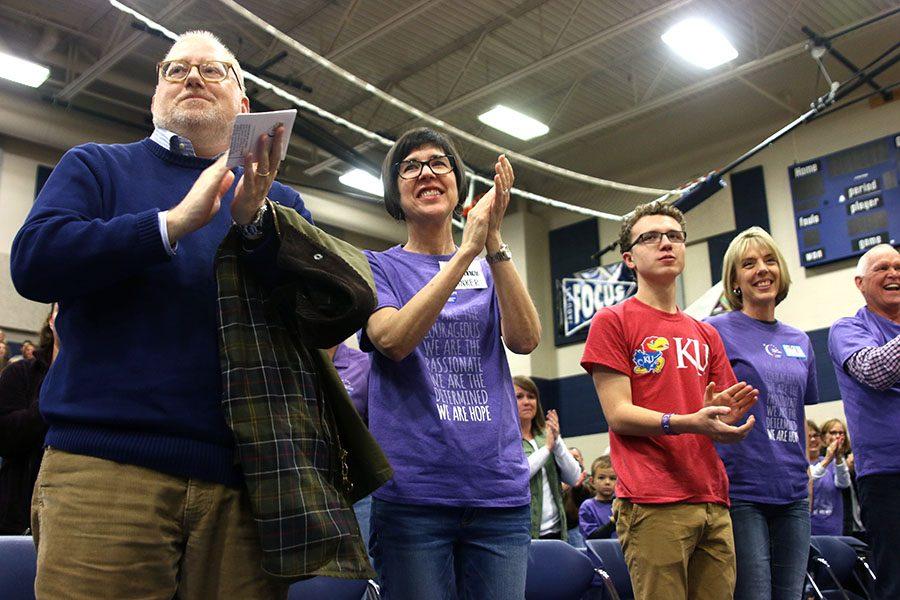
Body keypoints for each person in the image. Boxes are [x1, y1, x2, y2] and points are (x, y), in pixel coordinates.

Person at [11, 30, 384, 599]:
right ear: (155, 97)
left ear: (244, 107)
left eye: (213, 71)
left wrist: (258, 230)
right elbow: (34, 263)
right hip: (105, 470)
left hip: (248, 482)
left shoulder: (280, 202)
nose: (191, 77)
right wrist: (171, 224)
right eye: (174, 69)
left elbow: (334, 313)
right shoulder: (96, 167)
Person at [361, 127, 541, 598]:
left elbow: (525, 340)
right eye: (411, 166)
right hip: (414, 495)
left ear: (458, 184)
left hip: (497, 493)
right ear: (396, 192)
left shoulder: (489, 267)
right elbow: (392, 340)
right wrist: (466, 251)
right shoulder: (377, 267)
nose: (427, 172)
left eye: (439, 163)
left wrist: (494, 240)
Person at [580, 200, 758, 600]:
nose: (666, 244)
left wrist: (729, 422)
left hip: (712, 497)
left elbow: (720, 412)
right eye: (651, 237)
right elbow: (618, 413)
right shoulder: (613, 320)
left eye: (674, 237)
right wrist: (686, 421)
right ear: (629, 257)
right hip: (652, 498)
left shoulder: (706, 333)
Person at [705, 227, 817, 600]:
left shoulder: (800, 340)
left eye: (770, 260)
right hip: (743, 490)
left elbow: (797, 414)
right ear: (734, 280)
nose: (762, 270)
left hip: (794, 493)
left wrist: (806, 476)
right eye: (748, 264)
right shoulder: (714, 331)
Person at [828, 243, 900, 599]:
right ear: (860, 282)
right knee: (896, 580)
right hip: (888, 475)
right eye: (883, 268)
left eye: (899, 267)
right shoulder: (848, 329)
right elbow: (875, 370)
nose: (894, 274)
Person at [0, 305, 56, 535]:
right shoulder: (20, 373)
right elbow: (4, 438)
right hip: (17, 513)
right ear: (51, 320)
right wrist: (54, 395)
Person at [515, 375, 582, 541]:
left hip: (557, 532)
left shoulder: (547, 436)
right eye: (519, 396)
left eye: (531, 397)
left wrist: (557, 442)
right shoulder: (505, 439)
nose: (527, 402)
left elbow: (574, 477)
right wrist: (547, 449)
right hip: (524, 534)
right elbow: (517, 476)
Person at [328, 341, 373, 550]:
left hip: (355, 491)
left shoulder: (363, 366)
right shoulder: (292, 362)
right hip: (306, 484)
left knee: (367, 566)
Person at [819, 417, 865, 538]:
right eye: (833, 432)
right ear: (823, 437)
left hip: (860, 520)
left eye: (841, 432)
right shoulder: (820, 461)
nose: (838, 436)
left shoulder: (852, 457)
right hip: (836, 522)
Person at [809, 421, 851, 535]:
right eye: (809, 436)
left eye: (815, 436)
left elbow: (844, 483)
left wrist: (838, 457)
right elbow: (809, 478)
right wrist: (827, 459)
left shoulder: (834, 463)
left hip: (833, 530)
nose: (813, 440)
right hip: (809, 530)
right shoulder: (800, 462)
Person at [578, 455, 617, 540]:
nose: (607, 482)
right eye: (601, 478)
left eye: (612, 478)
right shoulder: (588, 506)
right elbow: (592, 536)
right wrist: (613, 522)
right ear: (592, 481)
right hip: (597, 552)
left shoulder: (621, 504)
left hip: (620, 552)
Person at [562, 446, 592, 547]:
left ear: (582, 460)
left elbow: (591, 493)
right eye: (569, 458)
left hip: (581, 527)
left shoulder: (590, 480)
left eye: (576, 457)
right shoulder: (559, 481)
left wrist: (576, 486)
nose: (573, 460)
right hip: (564, 527)